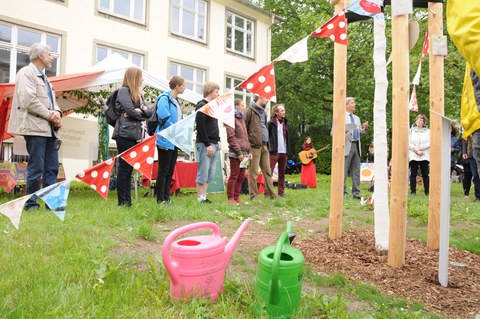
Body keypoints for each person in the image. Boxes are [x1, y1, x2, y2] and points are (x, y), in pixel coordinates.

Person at [7, 43, 62, 210]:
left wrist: (58, 112)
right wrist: (50, 115)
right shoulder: (26, 73)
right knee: (36, 168)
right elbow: (28, 100)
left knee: (52, 168)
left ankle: (51, 205)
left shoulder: (46, 79)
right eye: (49, 53)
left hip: (49, 129)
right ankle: (30, 204)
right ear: (40, 56)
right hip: (35, 127)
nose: (52, 56)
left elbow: (54, 102)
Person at [112, 67, 153, 207]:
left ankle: (127, 201)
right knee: (124, 168)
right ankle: (122, 202)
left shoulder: (139, 95)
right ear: (134, 78)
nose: (142, 79)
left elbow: (149, 114)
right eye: (141, 76)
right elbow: (130, 110)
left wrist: (139, 110)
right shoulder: (124, 91)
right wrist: (140, 111)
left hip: (135, 134)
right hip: (124, 134)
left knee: (129, 168)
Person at [155, 75, 185, 204]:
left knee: (170, 170)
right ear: (177, 86)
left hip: (174, 139)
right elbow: (163, 116)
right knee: (163, 170)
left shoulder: (177, 101)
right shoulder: (164, 98)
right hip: (165, 138)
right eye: (183, 85)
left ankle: (167, 198)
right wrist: (174, 129)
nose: (185, 88)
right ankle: (160, 199)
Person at [244, 95, 277, 201]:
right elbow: (244, 129)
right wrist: (248, 147)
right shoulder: (249, 111)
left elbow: (264, 127)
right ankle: (253, 196)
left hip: (264, 145)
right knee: (253, 172)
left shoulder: (264, 112)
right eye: (266, 98)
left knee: (267, 171)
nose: (268, 101)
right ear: (260, 97)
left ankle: (271, 194)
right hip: (254, 146)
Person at [195, 82, 221, 203]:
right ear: (210, 91)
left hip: (214, 143)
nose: (218, 94)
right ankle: (200, 197)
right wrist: (207, 144)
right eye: (216, 91)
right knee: (203, 171)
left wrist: (219, 140)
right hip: (206, 143)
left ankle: (204, 196)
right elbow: (201, 127)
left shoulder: (213, 107)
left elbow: (214, 125)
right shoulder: (202, 105)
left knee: (210, 173)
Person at [226, 99, 252, 204]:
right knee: (234, 175)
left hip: (245, 153)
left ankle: (237, 197)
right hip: (235, 152)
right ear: (236, 106)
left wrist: (249, 151)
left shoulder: (242, 119)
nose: (243, 108)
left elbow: (246, 137)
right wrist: (238, 153)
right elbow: (231, 137)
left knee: (241, 176)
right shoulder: (231, 119)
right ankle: (230, 197)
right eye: (242, 105)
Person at [344, 97, 368, 199]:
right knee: (343, 171)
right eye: (353, 103)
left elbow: (359, 133)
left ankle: (356, 193)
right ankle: (342, 193)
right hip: (345, 146)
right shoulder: (340, 116)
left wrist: (365, 129)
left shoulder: (357, 118)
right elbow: (333, 132)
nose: (355, 104)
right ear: (346, 105)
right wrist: (347, 128)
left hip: (356, 146)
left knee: (356, 171)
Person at [268, 104, 290, 197]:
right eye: (282, 111)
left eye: (284, 110)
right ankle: (268, 192)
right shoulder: (271, 123)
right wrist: (270, 148)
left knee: (282, 173)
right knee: (270, 172)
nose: (284, 112)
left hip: (284, 151)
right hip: (274, 150)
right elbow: (268, 137)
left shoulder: (286, 123)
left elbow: (288, 137)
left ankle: (281, 192)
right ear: (276, 112)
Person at [408, 114, 430, 196]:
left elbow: (429, 142)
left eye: (421, 120)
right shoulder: (411, 131)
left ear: (424, 122)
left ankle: (427, 191)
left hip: (424, 154)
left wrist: (421, 149)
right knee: (413, 173)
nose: (419, 121)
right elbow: (408, 142)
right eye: (418, 119)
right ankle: (413, 191)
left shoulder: (428, 132)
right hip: (413, 154)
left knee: (425, 173)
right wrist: (415, 149)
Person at [460, 136, 480, 201]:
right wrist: (464, 152)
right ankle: (478, 196)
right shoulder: (469, 130)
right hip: (471, 155)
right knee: (475, 175)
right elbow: (465, 141)